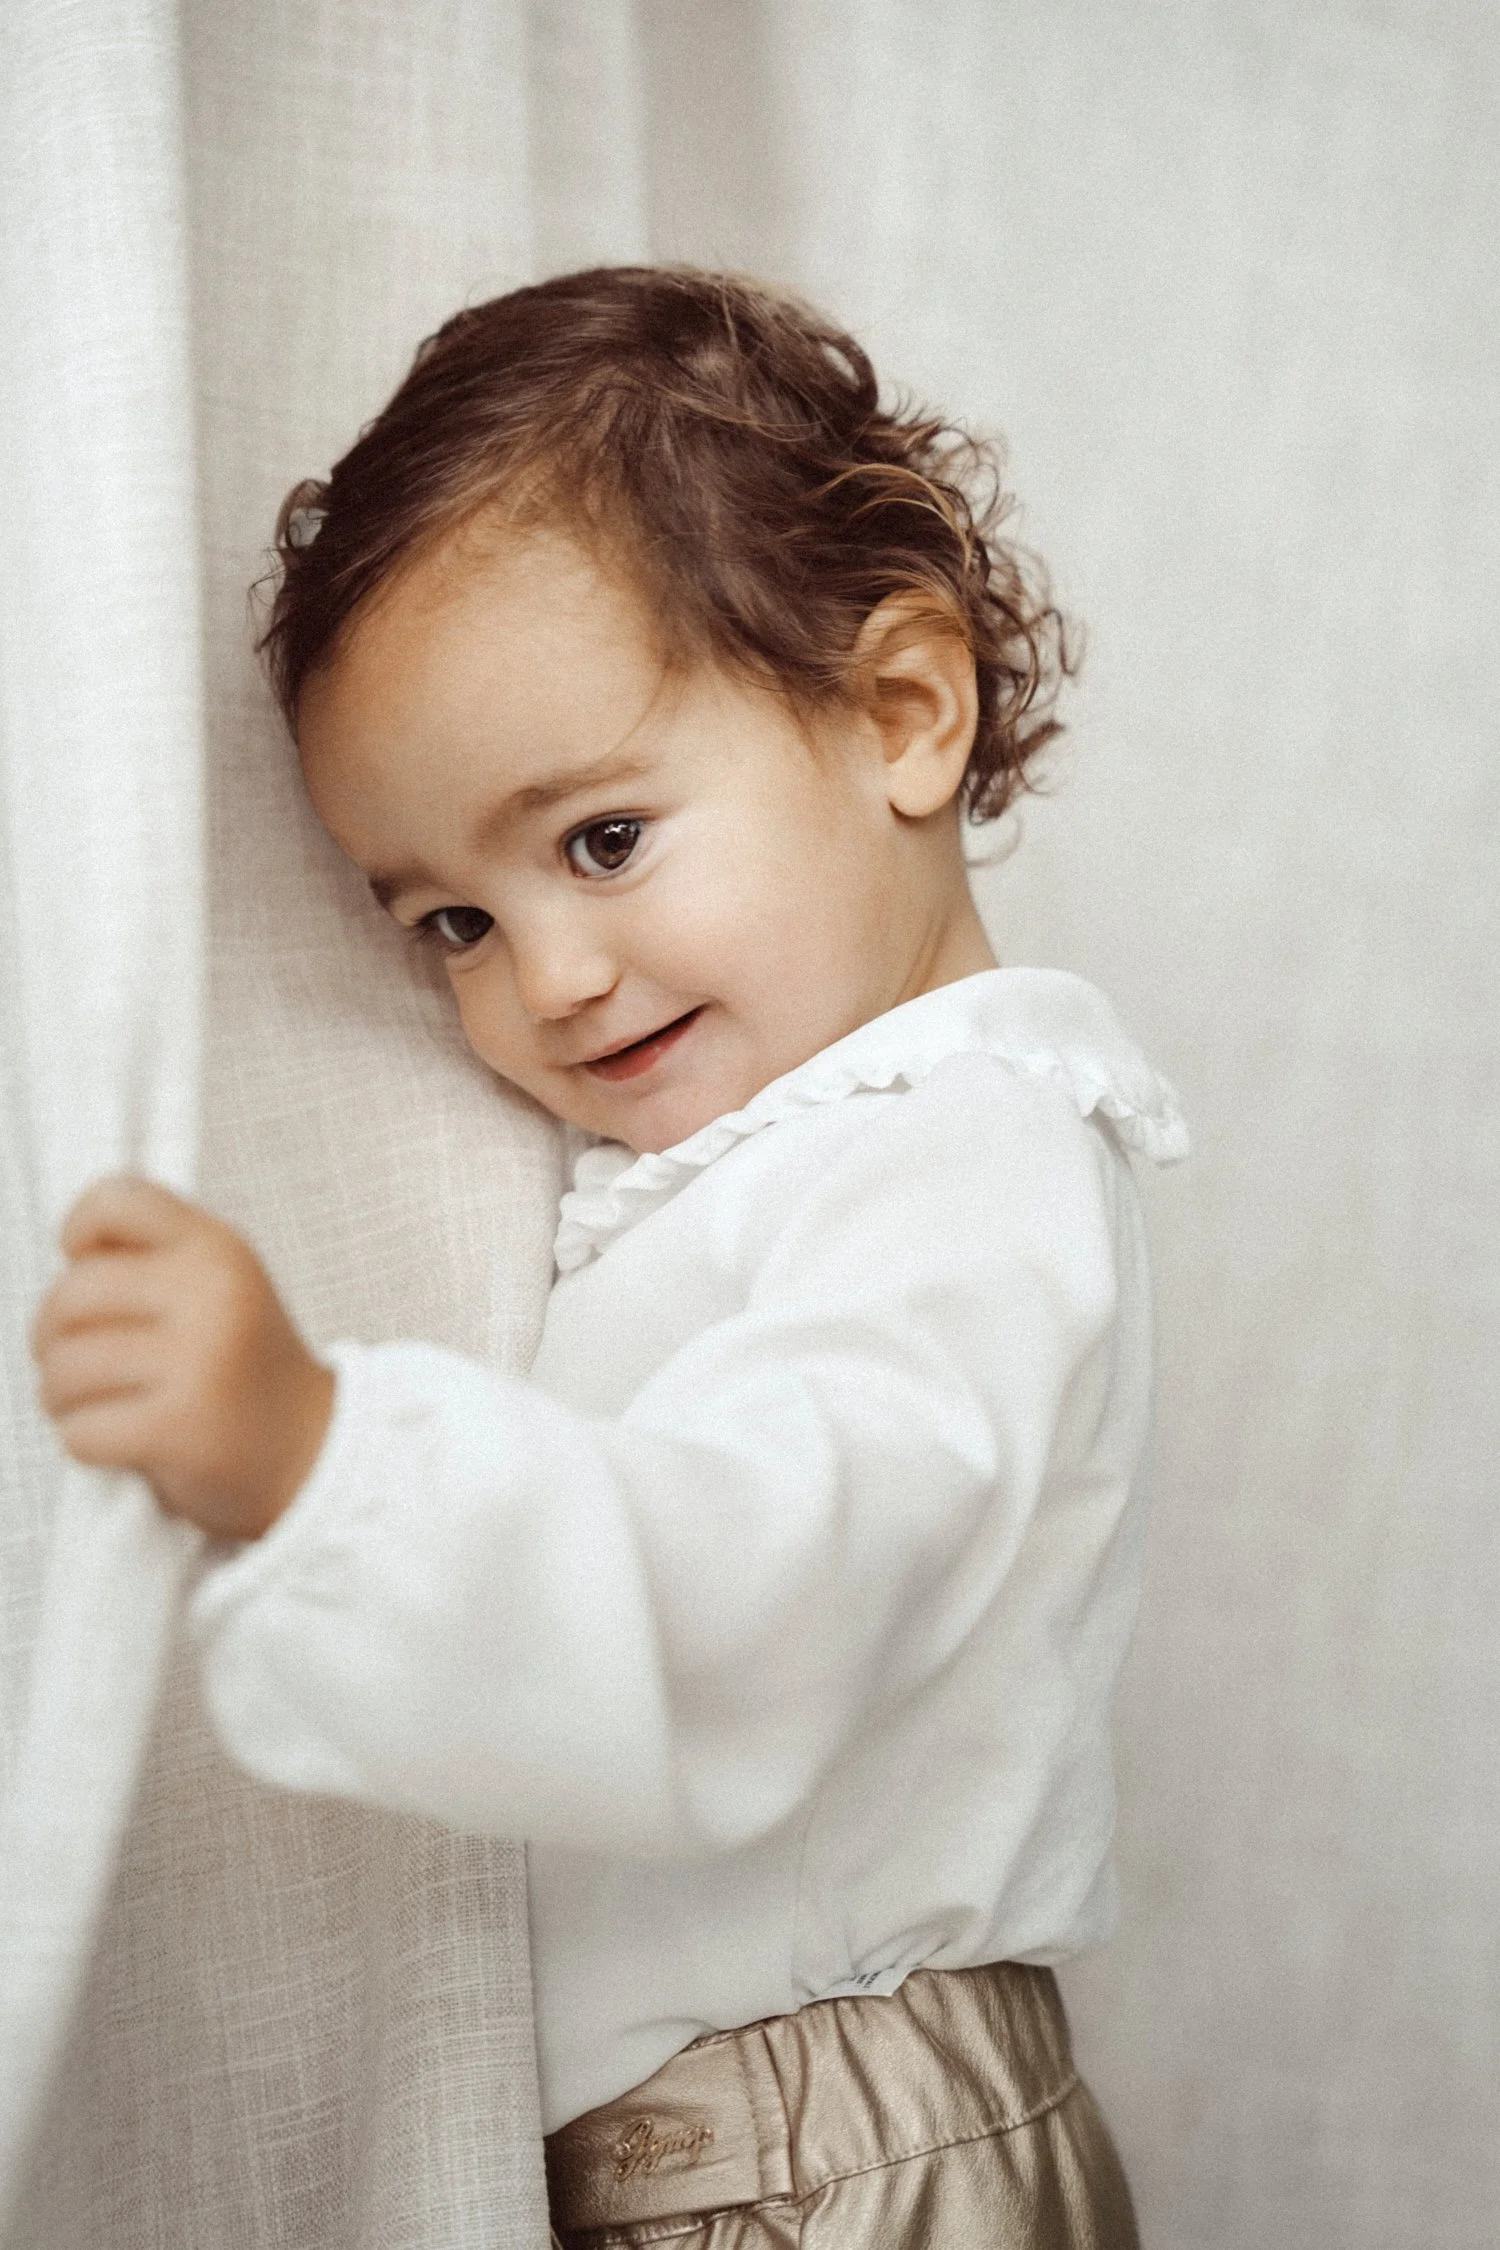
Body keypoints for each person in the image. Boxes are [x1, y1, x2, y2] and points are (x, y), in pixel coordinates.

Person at [31, 267, 1186, 2247]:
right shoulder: (787, 1164)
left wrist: (319, 1457)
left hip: (833, 2174)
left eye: (599, 842)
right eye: (451, 924)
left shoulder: (962, 1160)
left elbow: (765, 1582)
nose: (548, 979)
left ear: (902, 713)